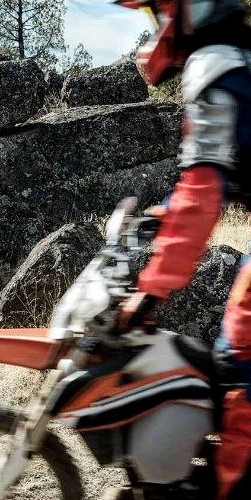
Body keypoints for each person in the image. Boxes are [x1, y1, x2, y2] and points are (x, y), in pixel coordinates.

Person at [113, 0, 251, 498]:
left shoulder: (216, 64)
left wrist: (148, 292)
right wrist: (155, 220)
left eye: (157, 13)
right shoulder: (233, 58)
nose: (156, 30)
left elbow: (201, 195)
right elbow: (200, 181)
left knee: (242, 351)